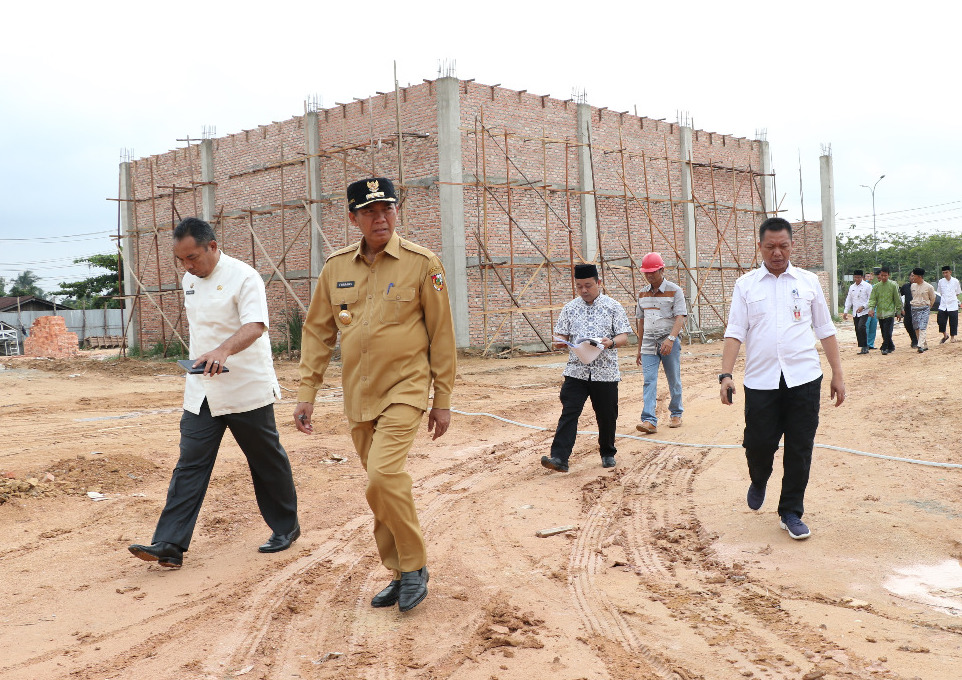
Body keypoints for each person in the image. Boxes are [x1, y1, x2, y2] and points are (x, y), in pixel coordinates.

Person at [294, 177, 456, 613]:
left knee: (384, 476)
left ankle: (415, 565)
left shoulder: (423, 263)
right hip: (357, 396)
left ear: (397, 212)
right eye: (368, 211)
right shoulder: (336, 268)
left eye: (387, 208)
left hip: (405, 388)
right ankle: (400, 572)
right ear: (353, 218)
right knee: (377, 488)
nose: (379, 217)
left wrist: (441, 397)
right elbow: (317, 332)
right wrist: (306, 390)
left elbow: (441, 334)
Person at [129, 218, 299, 569]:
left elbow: (255, 326)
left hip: (244, 386)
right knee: (189, 464)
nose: (188, 266)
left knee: (265, 460)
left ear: (213, 247)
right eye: (182, 260)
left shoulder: (245, 277)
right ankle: (169, 544)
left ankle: (286, 528)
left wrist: (223, 351)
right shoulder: (189, 279)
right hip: (202, 388)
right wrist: (207, 358)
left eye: (193, 257)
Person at [719, 217, 845, 541]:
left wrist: (837, 374)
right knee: (759, 443)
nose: (777, 252)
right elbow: (735, 332)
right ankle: (759, 477)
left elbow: (825, 329)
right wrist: (726, 374)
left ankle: (791, 511)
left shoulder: (807, 282)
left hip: (804, 378)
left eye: (783, 246)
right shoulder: (745, 285)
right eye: (770, 246)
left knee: (800, 448)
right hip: (761, 381)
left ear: (791, 245)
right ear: (760, 246)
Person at [541, 263, 631, 472]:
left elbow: (624, 336)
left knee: (607, 415)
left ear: (599, 283)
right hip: (576, 370)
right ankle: (559, 458)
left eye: (588, 285)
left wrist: (610, 343)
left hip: (605, 371)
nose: (584, 290)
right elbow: (561, 335)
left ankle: (607, 452)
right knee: (569, 412)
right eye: (579, 286)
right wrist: (560, 342)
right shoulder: (570, 308)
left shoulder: (613, 306)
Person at [634, 252, 688, 432]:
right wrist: (639, 347)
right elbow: (641, 321)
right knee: (649, 380)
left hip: (668, 342)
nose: (649, 275)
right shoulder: (642, 293)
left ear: (662, 270)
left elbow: (680, 317)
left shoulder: (675, 290)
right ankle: (649, 420)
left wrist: (671, 339)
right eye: (646, 272)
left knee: (674, 379)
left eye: (653, 272)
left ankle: (676, 413)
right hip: (649, 342)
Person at [867, 266, 902, 355]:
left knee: (888, 331)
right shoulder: (876, 287)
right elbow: (873, 299)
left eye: (885, 275)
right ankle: (891, 346)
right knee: (883, 331)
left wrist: (899, 311)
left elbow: (897, 299)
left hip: (890, 312)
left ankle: (885, 347)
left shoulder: (893, 285)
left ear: (888, 275)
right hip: (880, 312)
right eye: (882, 275)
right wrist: (871, 309)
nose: (883, 277)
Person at [842, 269, 872, 354]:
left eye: (859, 277)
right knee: (857, 329)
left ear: (862, 277)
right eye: (855, 277)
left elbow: (871, 299)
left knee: (861, 326)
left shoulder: (867, 286)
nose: (857, 279)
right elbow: (849, 299)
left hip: (864, 311)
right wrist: (845, 311)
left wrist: (863, 307)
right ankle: (862, 346)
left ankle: (865, 346)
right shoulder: (852, 287)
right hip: (855, 312)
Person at [908, 268, 936, 353]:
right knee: (916, 327)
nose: (913, 278)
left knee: (922, 327)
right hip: (914, 308)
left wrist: (928, 307)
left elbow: (933, 298)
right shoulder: (912, 286)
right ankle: (924, 344)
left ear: (919, 277)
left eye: (914, 276)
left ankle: (920, 345)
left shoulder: (929, 287)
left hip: (924, 308)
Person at [936, 265, 962, 344]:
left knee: (953, 322)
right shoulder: (941, 281)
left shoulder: (955, 281)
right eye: (943, 273)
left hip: (953, 304)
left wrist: (952, 299)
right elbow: (939, 292)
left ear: (950, 272)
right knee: (941, 321)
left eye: (946, 272)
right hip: (943, 305)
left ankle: (952, 337)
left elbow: (957, 293)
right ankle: (945, 335)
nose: (945, 274)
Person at [899, 277, 918, 349]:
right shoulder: (905, 287)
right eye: (912, 275)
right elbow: (899, 296)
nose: (913, 277)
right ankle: (913, 339)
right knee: (907, 324)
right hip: (908, 308)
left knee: (917, 325)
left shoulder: (920, 286)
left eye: (914, 275)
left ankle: (916, 340)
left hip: (918, 308)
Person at [863, 269, 879, 349]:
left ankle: (870, 344)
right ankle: (865, 344)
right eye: (867, 276)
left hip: (874, 309)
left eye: (870, 276)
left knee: (873, 327)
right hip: (866, 310)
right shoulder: (863, 286)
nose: (869, 278)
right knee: (866, 327)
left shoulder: (874, 287)